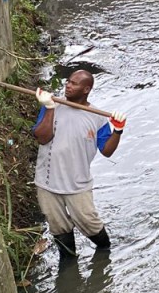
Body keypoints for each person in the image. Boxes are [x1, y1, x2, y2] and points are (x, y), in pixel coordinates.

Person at [32, 69, 127, 257]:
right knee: (58, 227)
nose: (68, 85)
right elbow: (42, 138)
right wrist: (49, 108)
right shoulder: (53, 105)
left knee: (89, 223)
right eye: (68, 81)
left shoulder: (97, 117)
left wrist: (117, 130)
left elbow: (107, 151)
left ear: (86, 90)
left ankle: (105, 254)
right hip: (47, 181)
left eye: (74, 83)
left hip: (78, 184)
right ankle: (68, 264)